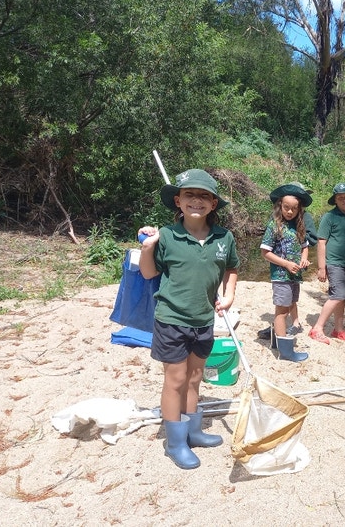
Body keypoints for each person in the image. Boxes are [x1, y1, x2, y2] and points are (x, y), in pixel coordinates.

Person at [138, 169, 239, 469]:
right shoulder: (167, 236)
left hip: (204, 318)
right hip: (171, 318)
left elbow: (231, 269)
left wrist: (229, 294)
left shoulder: (225, 237)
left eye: (204, 196)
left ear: (213, 204)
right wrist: (148, 247)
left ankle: (193, 432)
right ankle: (175, 442)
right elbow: (148, 273)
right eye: (190, 195)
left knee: (195, 377)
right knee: (176, 379)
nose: (197, 201)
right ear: (178, 202)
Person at [259, 183, 313, 362]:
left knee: (289, 306)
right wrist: (287, 264)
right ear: (280, 206)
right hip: (281, 276)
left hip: (294, 276)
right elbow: (265, 252)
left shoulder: (298, 226)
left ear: (299, 210)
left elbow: (305, 246)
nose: (290, 212)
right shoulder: (274, 225)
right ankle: (286, 353)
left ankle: (276, 341)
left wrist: (304, 259)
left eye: (294, 209)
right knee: (282, 312)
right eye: (286, 208)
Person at [309, 182, 345, 344]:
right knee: (337, 295)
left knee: (342, 297)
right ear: (336, 200)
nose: (344, 200)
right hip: (334, 263)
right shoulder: (329, 217)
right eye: (341, 197)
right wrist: (321, 267)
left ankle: (338, 330)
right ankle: (317, 329)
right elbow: (321, 242)